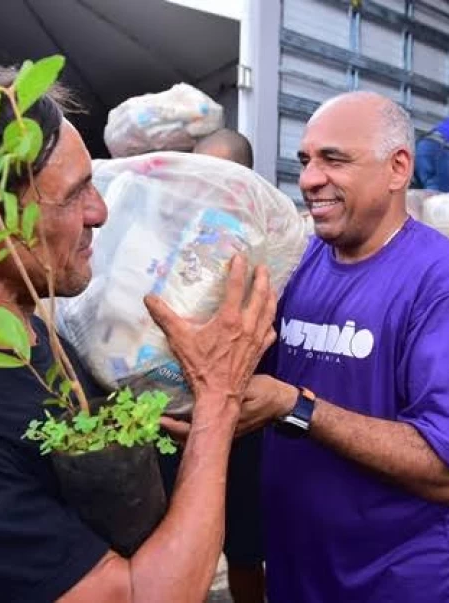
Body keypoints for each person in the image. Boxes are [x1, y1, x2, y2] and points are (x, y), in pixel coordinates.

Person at [0, 60, 277, 603]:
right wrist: (219, 404)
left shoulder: (37, 329)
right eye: (75, 194)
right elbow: (138, 597)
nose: (101, 212)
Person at [235, 91, 449, 602]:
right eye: (306, 161)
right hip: (301, 568)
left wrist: (295, 408)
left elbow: (447, 470)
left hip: (396, 580)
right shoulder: (300, 261)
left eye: (334, 159)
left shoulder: (446, 286)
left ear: (398, 168)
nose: (310, 178)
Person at [158, 127, 265, 603]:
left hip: (241, 423)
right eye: (203, 176)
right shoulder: (169, 231)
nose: (213, 188)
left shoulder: (269, 240)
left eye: (225, 177)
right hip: (173, 416)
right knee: (170, 541)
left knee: (243, 541)